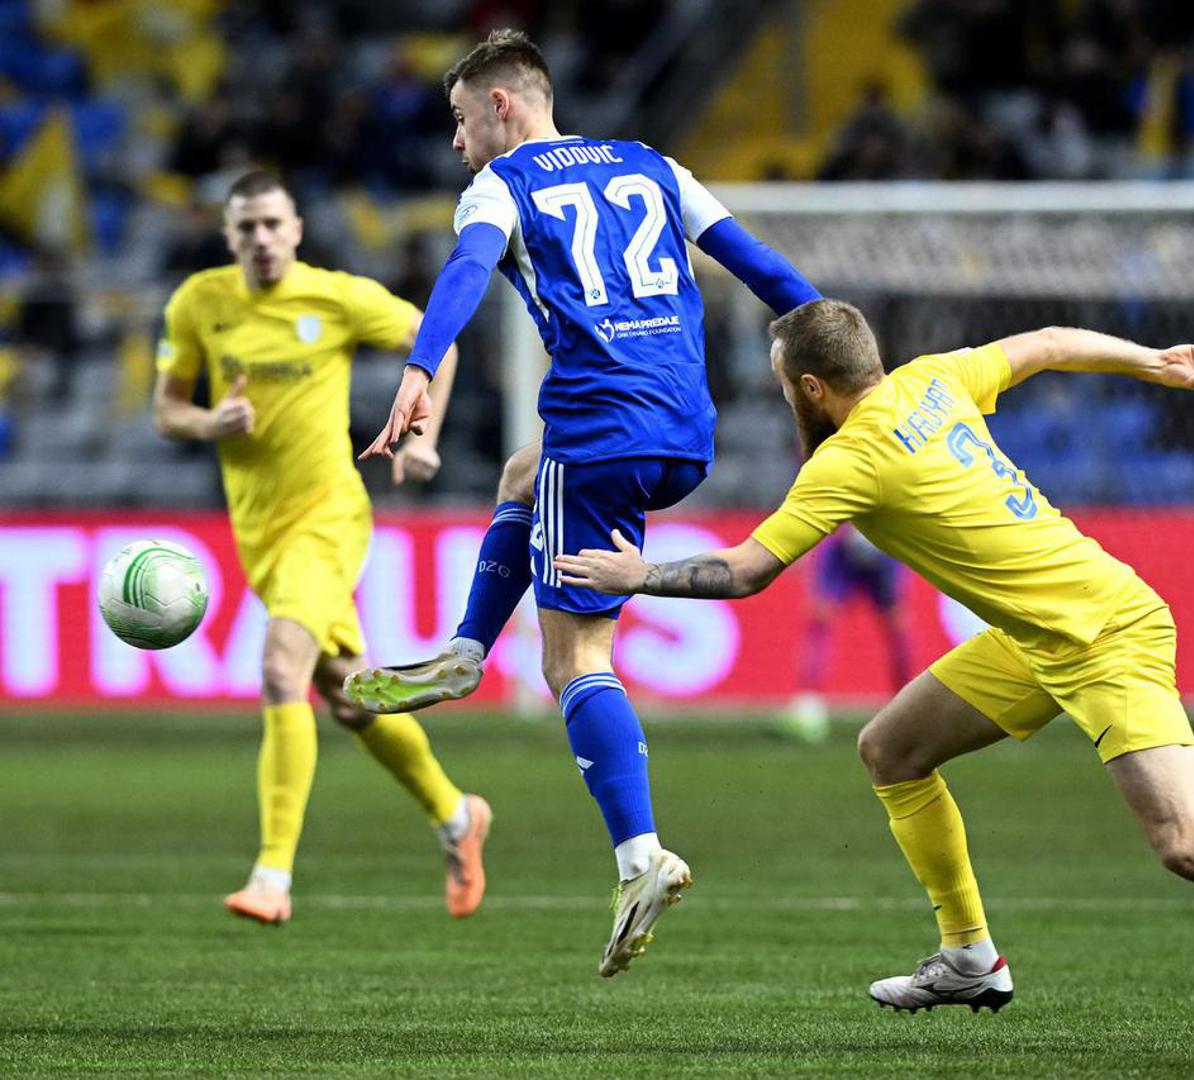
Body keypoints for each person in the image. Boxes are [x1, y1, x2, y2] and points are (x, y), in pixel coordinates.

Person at [555, 300, 1194, 1056]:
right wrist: (1153, 361)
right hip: (1040, 635)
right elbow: (1049, 343)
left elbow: (748, 571)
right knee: (892, 749)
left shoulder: (849, 460)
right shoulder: (935, 378)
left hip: (1102, 634)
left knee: (1188, 843)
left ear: (811, 388)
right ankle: (968, 957)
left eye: (784, 382)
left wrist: (639, 574)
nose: (782, 394)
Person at [343, 29, 820, 976]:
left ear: (502, 105)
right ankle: (465, 652)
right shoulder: (653, 165)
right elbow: (761, 267)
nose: (456, 143)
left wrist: (421, 367)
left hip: (600, 429)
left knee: (572, 659)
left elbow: (467, 271)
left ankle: (640, 858)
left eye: (459, 120)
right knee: (523, 474)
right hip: (685, 429)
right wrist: (849, 364)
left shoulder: (501, 184)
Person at [152, 171, 489, 926]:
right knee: (346, 695)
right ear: (228, 235)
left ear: (296, 229)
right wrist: (210, 423)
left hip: (329, 515)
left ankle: (271, 876)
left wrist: (423, 437)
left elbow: (438, 344)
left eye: (273, 224)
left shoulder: (334, 297)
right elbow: (166, 411)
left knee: (281, 669)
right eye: (246, 227)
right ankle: (456, 816)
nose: (261, 238)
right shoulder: (199, 302)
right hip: (259, 531)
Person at [781, 526, 914, 743]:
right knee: (820, 618)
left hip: (886, 545)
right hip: (843, 547)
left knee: (896, 624)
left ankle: (908, 705)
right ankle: (809, 705)